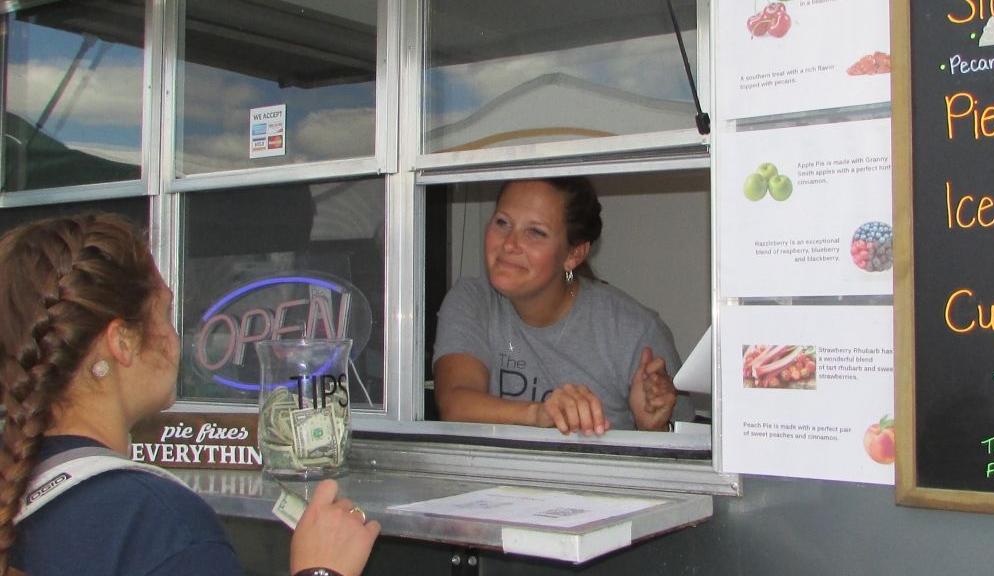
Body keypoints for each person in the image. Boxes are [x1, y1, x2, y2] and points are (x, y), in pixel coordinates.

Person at [0, 213, 380, 576]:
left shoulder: (17, 485)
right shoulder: (160, 525)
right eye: (164, 314)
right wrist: (322, 569)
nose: (175, 338)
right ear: (123, 341)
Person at [433, 177, 688, 435]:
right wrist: (541, 413)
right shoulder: (472, 300)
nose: (509, 244)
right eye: (502, 223)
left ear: (573, 254)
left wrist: (653, 428)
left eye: (535, 232)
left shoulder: (635, 332)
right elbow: (455, 404)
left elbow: (688, 456)